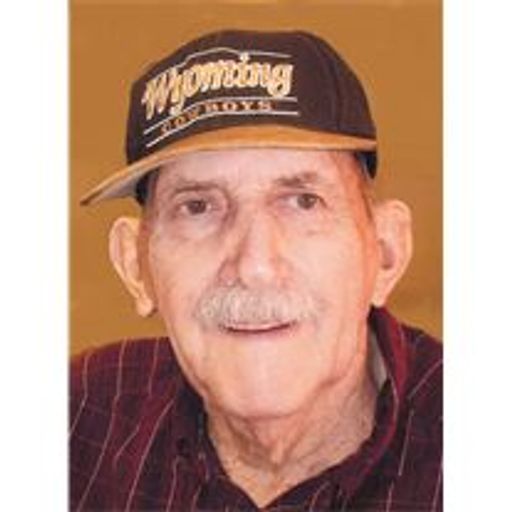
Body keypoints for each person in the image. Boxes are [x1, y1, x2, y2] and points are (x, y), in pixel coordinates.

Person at [70, 29, 442, 511]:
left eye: (303, 201)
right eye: (198, 206)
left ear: (385, 252)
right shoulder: (76, 420)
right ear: (134, 267)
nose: (255, 266)